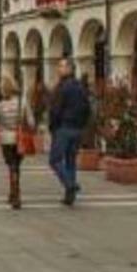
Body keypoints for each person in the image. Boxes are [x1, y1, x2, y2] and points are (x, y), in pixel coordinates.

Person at [48, 58, 89, 206]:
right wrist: (83, 125)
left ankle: (70, 184)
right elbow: (87, 108)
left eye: (62, 66)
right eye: (58, 66)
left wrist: (52, 126)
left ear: (70, 69)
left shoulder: (62, 87)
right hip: (78, 128)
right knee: (70, 161)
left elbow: (55, 110)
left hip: (63, 128)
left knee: (54, 160)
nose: (59, 69)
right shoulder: (80, 87)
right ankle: (69, 196)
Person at [0, 74, 27, 209]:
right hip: (19, 138)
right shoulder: (22, 103)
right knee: (17, 165)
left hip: (5, 138)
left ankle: (14, 192)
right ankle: (15, 192)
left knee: (11, 165)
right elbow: (30, 121)